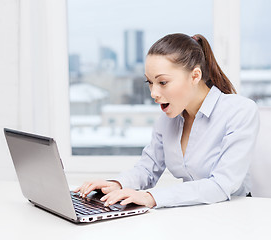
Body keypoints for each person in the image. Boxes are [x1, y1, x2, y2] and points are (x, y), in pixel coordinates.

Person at [74, 33, 259, 208]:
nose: (153, 93)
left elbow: (222, 185)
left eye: (162, 82)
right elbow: (147, 169)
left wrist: (151, 198)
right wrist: (116, 184)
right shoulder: (168, 119)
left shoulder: (239, 111)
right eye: (150, 83)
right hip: (194, 212)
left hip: (235, 214)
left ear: (195, 75)